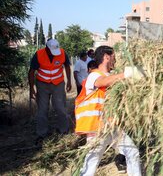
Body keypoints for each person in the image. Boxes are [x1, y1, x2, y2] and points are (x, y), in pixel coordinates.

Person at [75, 46, 141, 176]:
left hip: (111, 126)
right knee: (91, 162)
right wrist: (127, 73)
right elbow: (103, 82)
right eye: (113, 58)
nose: (115, 61)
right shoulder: (94, 75)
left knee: (132, 152)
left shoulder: (111, 76)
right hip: (97, 130)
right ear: (106, 57)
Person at [28, 39, 71, 140]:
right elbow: (31, 72)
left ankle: (64, 130)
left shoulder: (62, 52)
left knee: (60, 107)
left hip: (58, 83)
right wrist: (31, 88)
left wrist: (69, 81)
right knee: (42, 109)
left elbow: (67, 66)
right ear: (46, 48)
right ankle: (42, 133)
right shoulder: (38, 54)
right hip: (42, 84)